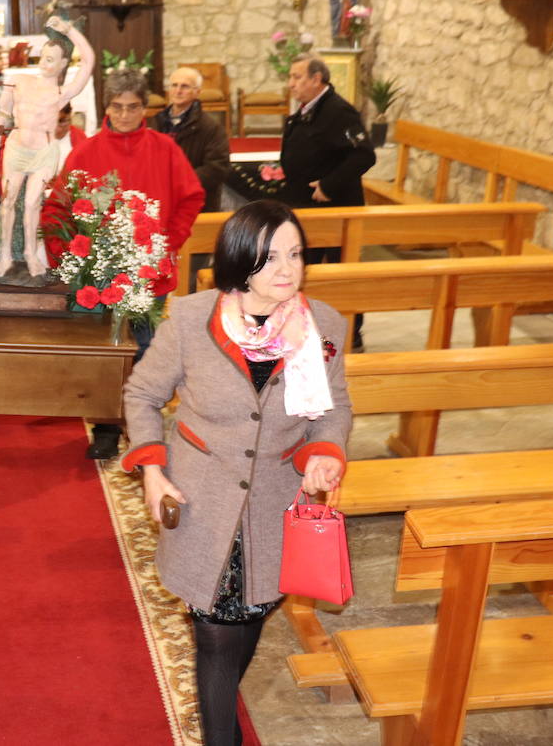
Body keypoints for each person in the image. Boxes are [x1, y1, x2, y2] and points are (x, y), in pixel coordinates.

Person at [121, 200, 351, 746]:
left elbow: (333, 407)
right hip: (203, 497)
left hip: (276, 503)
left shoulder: (324, 326)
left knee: (251, 617)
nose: (288, 269)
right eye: (271, 257)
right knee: (217, 634)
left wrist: (327, 450)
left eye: (295, 254)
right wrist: (153, 469)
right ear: (239, 259)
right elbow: (142, 394)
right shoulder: (189, 319)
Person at [53, 67, 205, 459]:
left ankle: (143, 428)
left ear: (145, 108)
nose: (124, 115)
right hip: (100, 277)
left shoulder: (165, 148)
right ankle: (104, 427)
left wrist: (170, 243)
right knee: (106, 354)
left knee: (147, 351)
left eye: (132, 107)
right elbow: (57, 208)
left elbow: (191, 197)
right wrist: (74, 254)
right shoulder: (85, 151)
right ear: (107, 107)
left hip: (149, 272)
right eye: (117, 107)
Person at [278, 54, 373, 350]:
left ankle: (351, 333)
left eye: (297, 77)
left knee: (341, 270)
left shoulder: (338, 111)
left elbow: (364, 154)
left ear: (316, 79)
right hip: (307, 207)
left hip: (335, 208)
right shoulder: (309, 108)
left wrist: (329, 186)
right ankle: (308, 328)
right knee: (306, 269)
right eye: (291, 77)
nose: (290, 83)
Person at [0, 16, 95, 278]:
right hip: (17, 149)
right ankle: (5, 256)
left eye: (51, 60)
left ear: (62, 65)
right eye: (43, 57)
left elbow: (89, 61)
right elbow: (4, 112)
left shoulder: (61, 94)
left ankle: (29, 256)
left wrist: (69, 30)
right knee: (8, 202)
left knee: (32, 205)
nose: (44, 64)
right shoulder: (20, 81)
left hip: (43, 154)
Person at [152, 66, 233, 214]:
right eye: (174, 85)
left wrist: (179, 182)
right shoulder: (155, 122)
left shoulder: (211, 127)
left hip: (196, 204)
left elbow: (217, 167)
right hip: (159, 201)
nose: (178, 90)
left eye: (185, 86)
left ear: (197, 92)